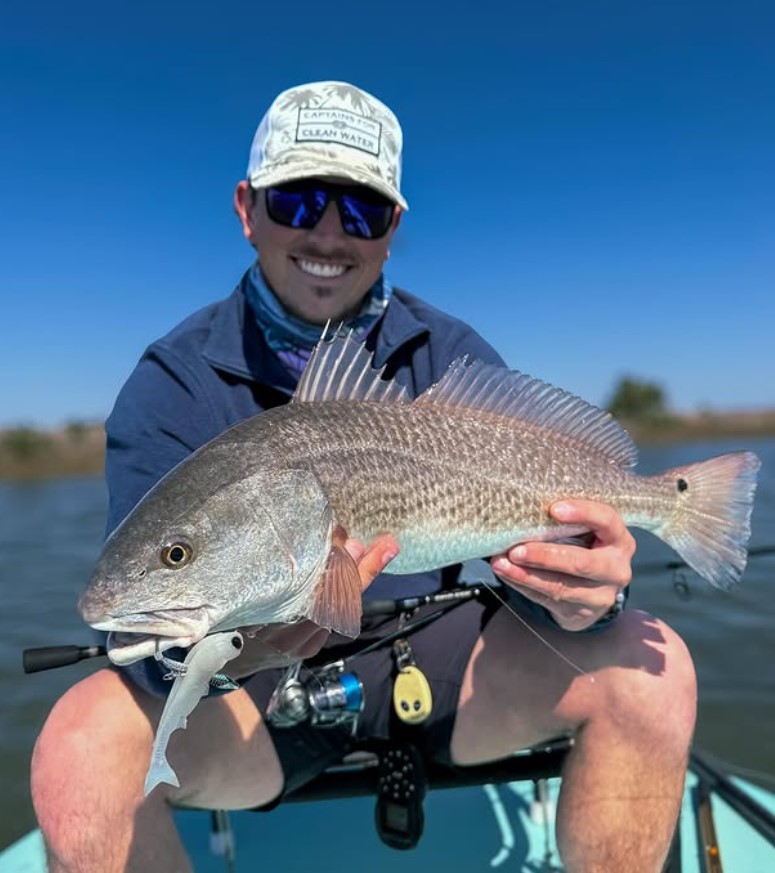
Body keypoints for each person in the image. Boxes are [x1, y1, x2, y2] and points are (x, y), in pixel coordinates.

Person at [31, 81, 696, 872]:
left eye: (361, 210)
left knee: (654, 672)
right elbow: (133, 636)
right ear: (247, 209)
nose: (327, 232)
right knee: (76, 748)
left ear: (393, 230)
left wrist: (591, 595)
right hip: (260, 697)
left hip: (444, 653)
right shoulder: (172, 384)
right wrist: (229, 651)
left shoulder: (450, 353)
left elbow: (543, 560)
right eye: (299, 200)